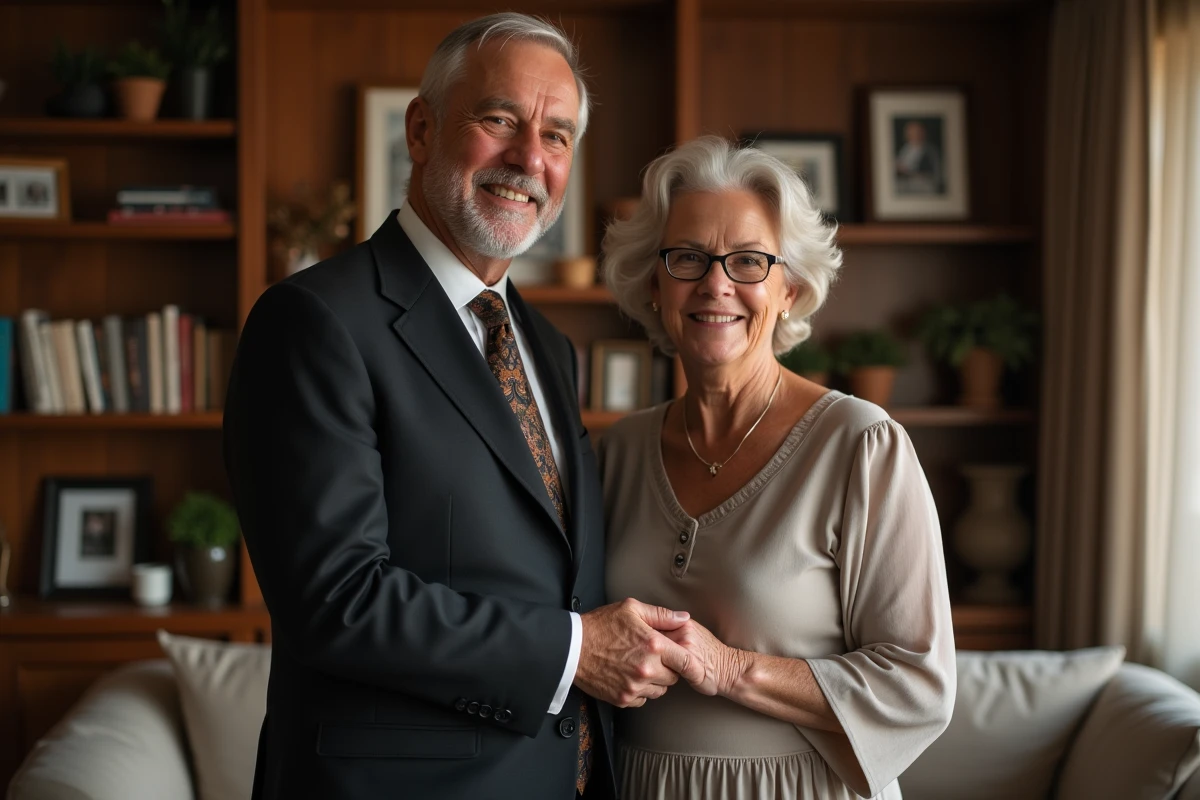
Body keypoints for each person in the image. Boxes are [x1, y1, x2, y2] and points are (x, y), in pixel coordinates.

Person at [223, 14, 700, 800]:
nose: (528, 159)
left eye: (557, 136)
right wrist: (574, 651)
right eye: (500, 120)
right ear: (421, 129)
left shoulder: (548, 344)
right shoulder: (313, 321)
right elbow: (336, 598)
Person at [599, 135, 956, 799]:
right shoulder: (613, 454)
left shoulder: (860, 446)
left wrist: (729, 668)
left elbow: (921, 685)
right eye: (688, 258)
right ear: (653, 283)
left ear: (789, 288)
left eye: (749, 261)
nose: (715, 283)